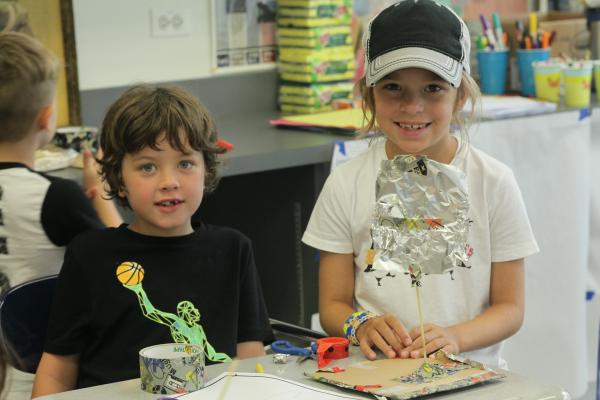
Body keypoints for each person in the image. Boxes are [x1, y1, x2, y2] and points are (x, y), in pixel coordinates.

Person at [302, 0, 539, 369]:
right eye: (393, 87)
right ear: (369, 95)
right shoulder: (346, 184)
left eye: (433, 88)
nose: (412, 107)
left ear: (460, 95)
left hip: (471, 375)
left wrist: (457, 337)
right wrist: (360, 324)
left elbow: (510, 308)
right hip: (375, 373)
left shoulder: (493, 183)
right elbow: (332, 305)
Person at [32, 84, 273, 397]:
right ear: (119, 180)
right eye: (147, 167)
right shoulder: (90, 255)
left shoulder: (233, 249)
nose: (169, 182)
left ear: (206, 169)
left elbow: (250, 360)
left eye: (185, 164)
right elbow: (57, 371)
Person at [0, 31, 122, 295]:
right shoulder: (55, 197)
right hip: (37, 335)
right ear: (45, 118)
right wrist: (101, 195)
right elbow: (126, 266)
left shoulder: (57, 199)